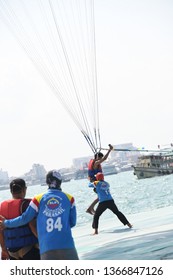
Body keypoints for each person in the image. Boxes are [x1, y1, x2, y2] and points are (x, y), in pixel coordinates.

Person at [0, 170, 79, 260]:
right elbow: (72, 223)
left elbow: (24, 218)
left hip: (44, 247)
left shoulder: (37, 199)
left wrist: (6, 224)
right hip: (66, 245)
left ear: (46, 182)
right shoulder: (70, 198)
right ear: (60, 182)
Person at [0, 178, 40, 260]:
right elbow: (33, 227)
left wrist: (3, 249)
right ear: (24, 189)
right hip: (29, 249)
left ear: (11, 191)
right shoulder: (27, 205)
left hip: (11, 251)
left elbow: (1, 230)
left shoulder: (2, 206)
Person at [86, 144, 114, 214]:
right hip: (95, 182)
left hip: (95, 180)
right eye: (100, 158)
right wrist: (109, 150)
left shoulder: (95, 163)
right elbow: (104, 159)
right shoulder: (95, 163)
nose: (101, 160)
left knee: (100, 196)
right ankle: (90, 208)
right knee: (100, 196)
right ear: (97, 157)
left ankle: (90, 208)